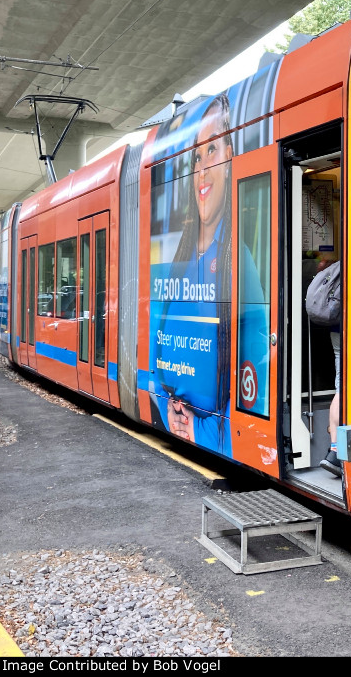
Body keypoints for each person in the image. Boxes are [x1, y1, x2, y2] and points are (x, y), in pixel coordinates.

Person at [152, 92, 267, 455]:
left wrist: (200, 431)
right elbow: (155, 352)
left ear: (232, 156)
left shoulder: (239, 259)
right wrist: (167, 409)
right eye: (196, 156)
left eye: (213, 150)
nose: (202, 169)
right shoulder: (177, 263)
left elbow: (256, 390)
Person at [312, 254, 342, 478]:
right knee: (344, 390)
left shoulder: (339, 265)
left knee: (341, 386)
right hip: (349, 333)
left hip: (336, 332)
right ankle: (336, 452)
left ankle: (334, 449)